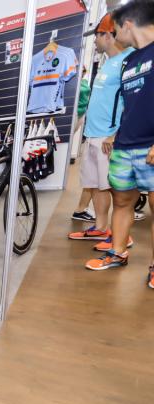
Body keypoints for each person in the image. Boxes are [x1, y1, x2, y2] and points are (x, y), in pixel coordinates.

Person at [86, 0, 154, 290]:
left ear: (128, 25)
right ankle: (117, 253)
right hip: (125, 145)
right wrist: (116, 133)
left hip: (150, 146)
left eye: (115, 30)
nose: (114, 36)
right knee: (122, 201)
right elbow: (130, 103)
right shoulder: (129, 61)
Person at [69, 14, 134, 251]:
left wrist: (115, 134)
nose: (94, 41)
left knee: (115, 189)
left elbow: (132, 102)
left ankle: (121, 236)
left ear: (107, 35)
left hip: (109, 137)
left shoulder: (128, 61)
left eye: (96, 36)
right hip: (93, 134)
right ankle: (101, 227)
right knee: (96, 185)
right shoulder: (108, 61)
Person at [71, 66, 96, 223]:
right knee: (95, 177)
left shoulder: (84, 83)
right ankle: (81, 209)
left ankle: (81, 208)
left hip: (82, 117)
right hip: (98, 133)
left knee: (94, 177)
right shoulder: (76, 84)